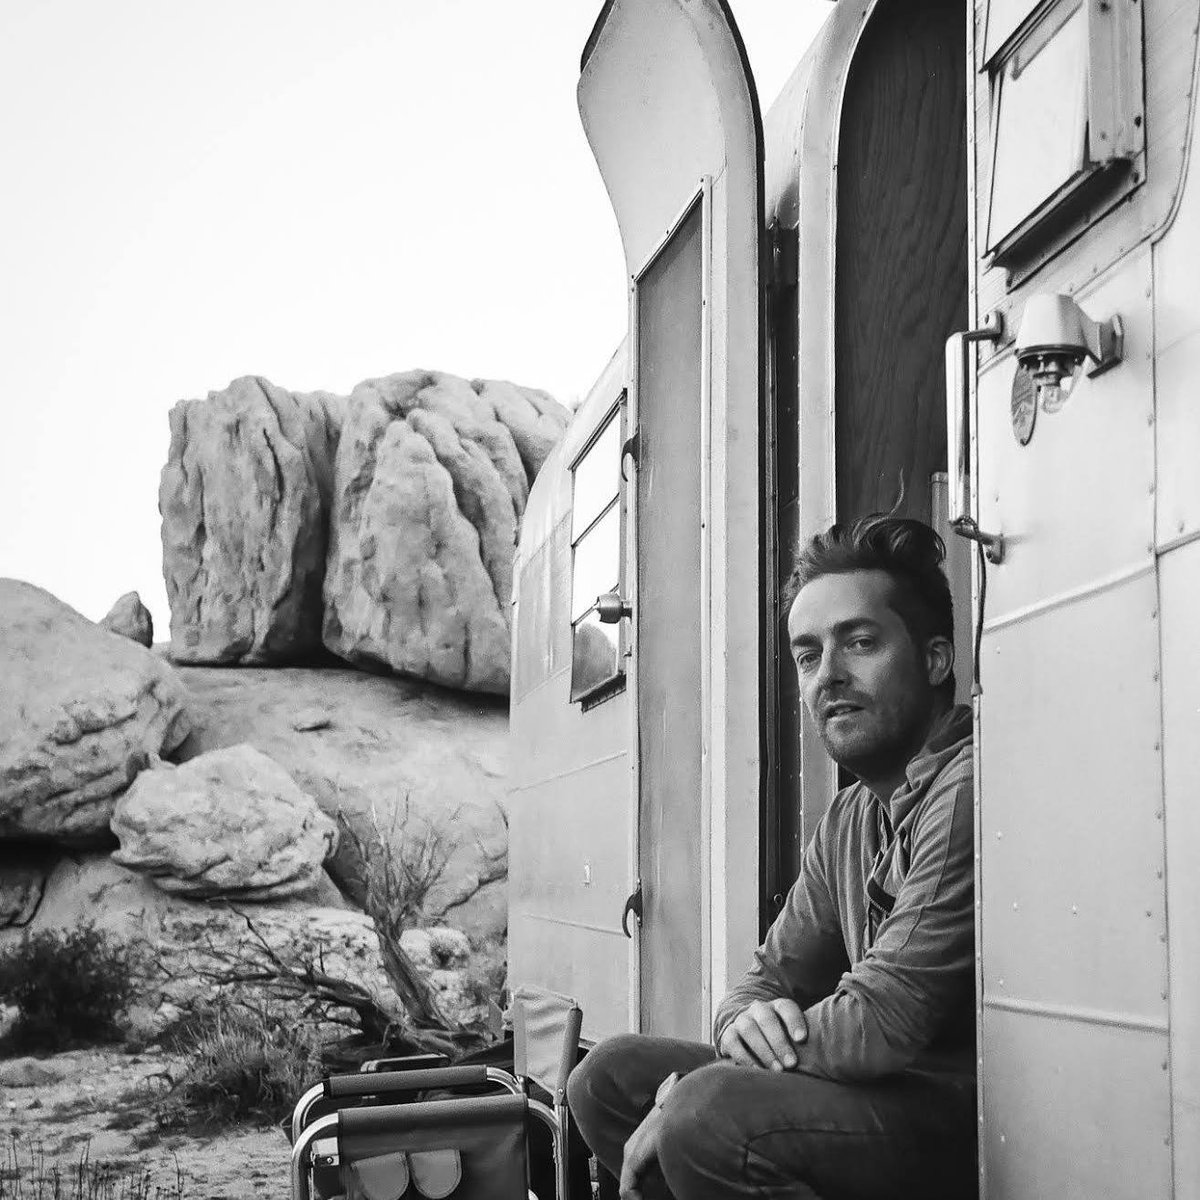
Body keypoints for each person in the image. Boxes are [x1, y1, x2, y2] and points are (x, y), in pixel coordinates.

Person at [567, 514, 978, 1200]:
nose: (829, 676)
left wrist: (706, 1081)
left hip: (964, 1118)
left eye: (861, 643)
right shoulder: (851, 816)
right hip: (879, 1096)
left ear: (935, 659)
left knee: (706, 1115)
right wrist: (738, 1025)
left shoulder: (965, 787)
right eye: (808, 655)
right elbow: (763, 983)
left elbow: (881, 1022)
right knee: (607, 1078)